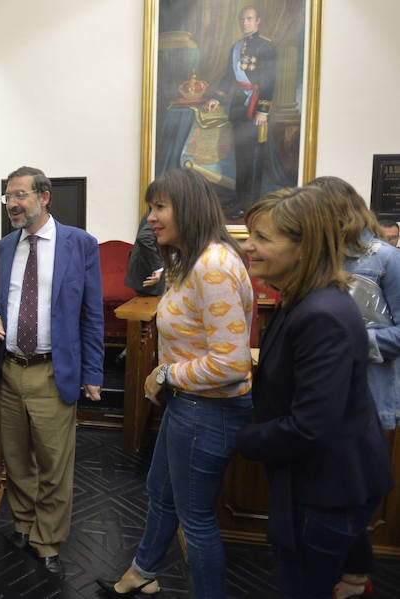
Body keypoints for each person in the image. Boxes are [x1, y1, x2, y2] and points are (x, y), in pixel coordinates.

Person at [101, 168, 254, 598]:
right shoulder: (193, 260)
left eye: (160, 207)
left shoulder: (213, 266)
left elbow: (232, 363)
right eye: (151, 207)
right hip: (189, 405)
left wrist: (166, 373)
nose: (151, 217)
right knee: (160, 491)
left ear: (189, 208)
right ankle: (143, 571)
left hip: (209, 409)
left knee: (197, 522)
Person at [235, 187, 394, 599]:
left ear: (305, 249)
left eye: (263, 238)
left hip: (327, 487)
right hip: (321, 479)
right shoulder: (300, 301)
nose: (248, 245)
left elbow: (309, 426)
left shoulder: (322, 314)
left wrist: (239, 437)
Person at [0, 166, 104, 577]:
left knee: (54, 464)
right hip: (11, 369)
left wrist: (93, 373)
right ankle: (22, 524)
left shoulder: (80, 244)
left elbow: (92, 313)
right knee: (16, 460)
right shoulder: (3, 247)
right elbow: (0, 299)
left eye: (20, 196)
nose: (13, 204)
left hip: (55, 370)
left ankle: (48, 540)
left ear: (44, 196)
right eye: (8, 198)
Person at [308, 176, 400, 599]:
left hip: (370, 395)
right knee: (335, 489)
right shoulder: (320, 258)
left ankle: (352, 577)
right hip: (326, 396)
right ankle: (349, 575)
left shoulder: (386, 259)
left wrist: (349, 338)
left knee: (356, 490)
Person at [202, 5, 275, 219]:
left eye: (249, 19)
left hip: (255, 109)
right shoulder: (236, 47)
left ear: (258, 21)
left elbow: (271, 80)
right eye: (242, 20)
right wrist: (216, 97)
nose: (245, 23)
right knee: (240, 156)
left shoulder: (267, 47)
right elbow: (228, 77)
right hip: (239, 107)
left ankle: (250, 203)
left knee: (251, 158)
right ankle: (240, 197)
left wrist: (263, 110)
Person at [124, 212, 165, 296]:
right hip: (150, 275)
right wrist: (158, 268)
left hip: (148, 272)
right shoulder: (165, 209)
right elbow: (145, 237)